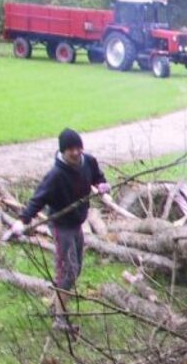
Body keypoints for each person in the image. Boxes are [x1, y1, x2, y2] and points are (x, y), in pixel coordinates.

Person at [6, 128, 110, 333]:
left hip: (77, 222)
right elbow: (37, 200)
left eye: (78, 147)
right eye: (70, 149)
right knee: (67, 272)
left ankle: (56, 306)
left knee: (77, 268)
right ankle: (60, 320)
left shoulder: (88, 161)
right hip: (61, 225)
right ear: (63, 151)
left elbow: (98, 177)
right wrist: (21, 221)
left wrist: (102, 185)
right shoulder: (55, 175)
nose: (75, 152)